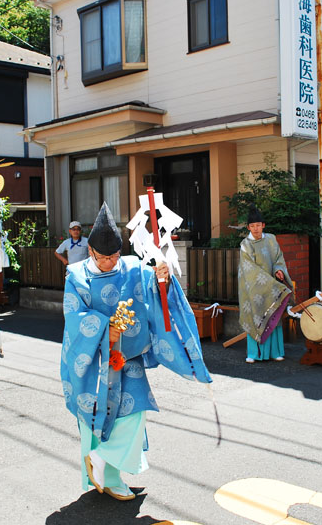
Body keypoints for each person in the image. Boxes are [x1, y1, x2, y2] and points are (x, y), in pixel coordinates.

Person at [60, 203, 211, 500]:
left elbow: (154, 289)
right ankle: (108, 478)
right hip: (92, 362)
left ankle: (102, 460)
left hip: (127, 359)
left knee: (135, 412)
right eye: (105, 257)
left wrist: (161, 277)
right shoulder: (76, 277)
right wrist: (105, 328)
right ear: (91, 253)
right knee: (99, 418)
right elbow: (73, 318)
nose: (111, 261)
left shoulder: (130, 266)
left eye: (115, 255)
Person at [238, 205, 292, 363]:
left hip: (272, 287)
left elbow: (278, 259)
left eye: (258, 225)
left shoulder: (271, 239)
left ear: (263, 225)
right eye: (252, 226)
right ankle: (254, 354)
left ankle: (275, 352)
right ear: (248, 227)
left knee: (273, 316)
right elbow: (248, 269)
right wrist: (269, 282)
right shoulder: (245, 244)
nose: (255, 229)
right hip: (252, 288)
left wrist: (279, 270)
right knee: (255, 316)